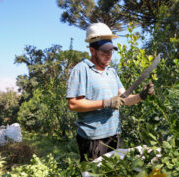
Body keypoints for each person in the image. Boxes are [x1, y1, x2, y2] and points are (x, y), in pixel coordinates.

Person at [66, 22, 154, 162]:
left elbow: (125, 99)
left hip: (113, 135)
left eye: (111, 51)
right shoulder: (81, 70)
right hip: (92, 139)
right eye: (104, 52)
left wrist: (140, 96)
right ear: (92, 51)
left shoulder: (112, 72)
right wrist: (106, 102)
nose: (108, 56)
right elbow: (74, 104)